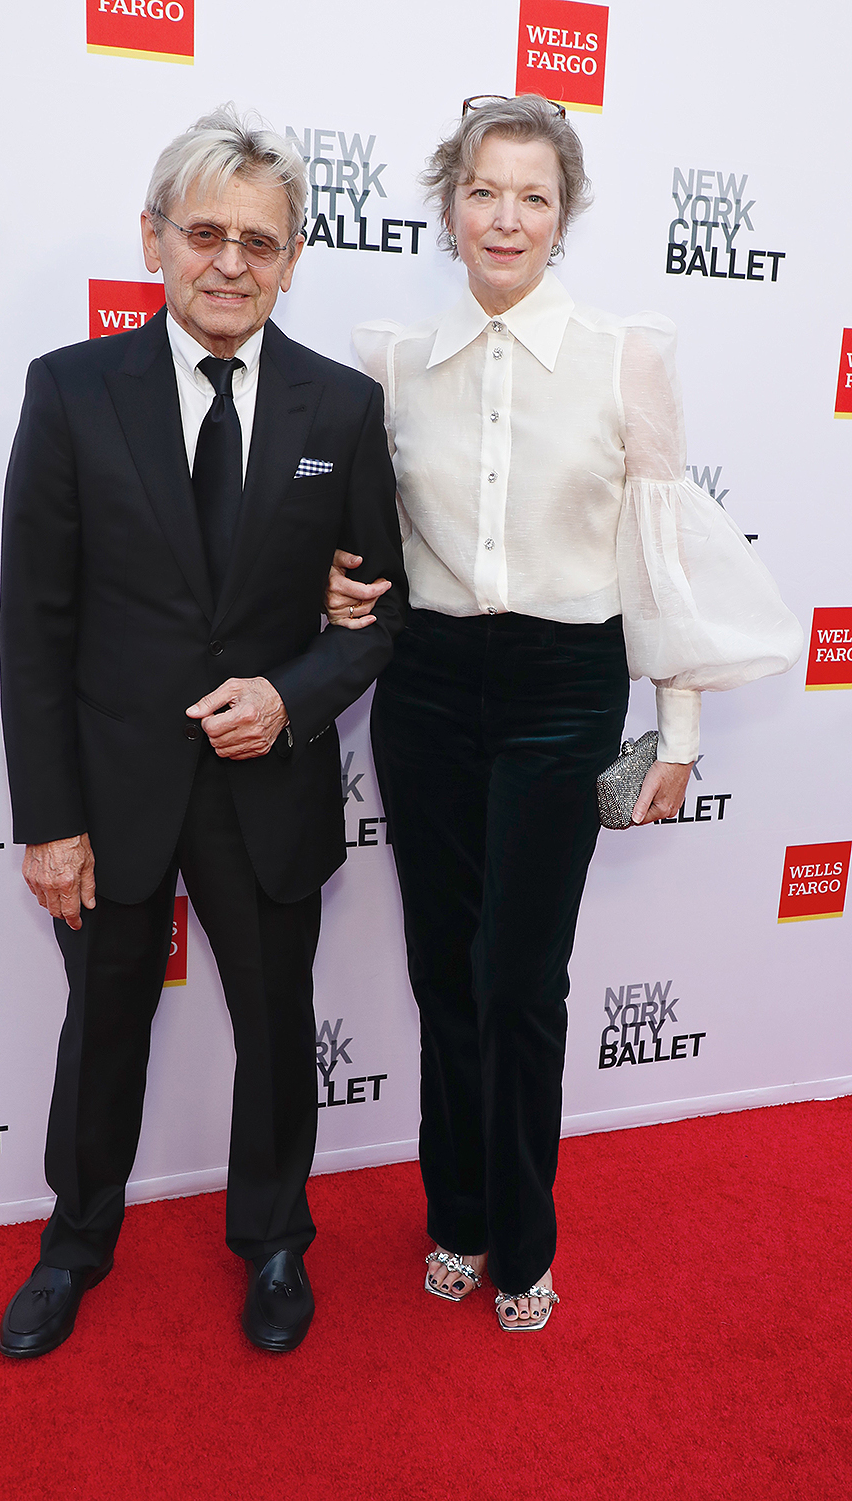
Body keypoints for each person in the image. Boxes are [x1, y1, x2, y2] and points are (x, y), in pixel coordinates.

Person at [328, 95, 801, 1332]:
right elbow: (359, 543)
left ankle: (523, 1240)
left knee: (520, 977)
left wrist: (680, 733)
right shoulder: (391, 362)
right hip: (425, 687)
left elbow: (659, 557)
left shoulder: (623, 355)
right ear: (448, 204)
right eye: (484, 189)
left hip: (562, 689)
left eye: (533, 195)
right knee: (444, 973)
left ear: (564, 215)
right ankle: (458, 1214)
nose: (506, 216)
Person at [0, 106, 406, 1358]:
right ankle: (75, 1242)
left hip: (268, 785)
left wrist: (293, 695)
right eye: (206, 233)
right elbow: (34, 629)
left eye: (261, 242)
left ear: (294, 258)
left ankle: (276, 1240)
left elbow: (375, 620)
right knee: (102, 1023)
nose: (231, 263)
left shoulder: (341, 409)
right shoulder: (70, 392)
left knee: (280, 1027)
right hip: (114, 791)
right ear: (156, 238)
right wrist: (50, 820)